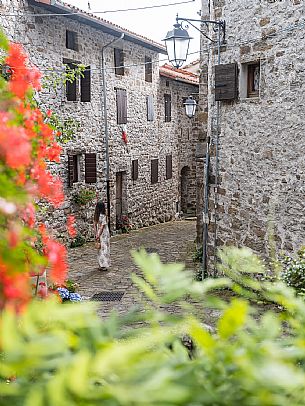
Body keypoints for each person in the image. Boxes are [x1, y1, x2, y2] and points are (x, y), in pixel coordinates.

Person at [93, 201, 110, 270]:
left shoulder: (96, 216)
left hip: (98, 232)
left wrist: (96, 234)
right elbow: (102, 227)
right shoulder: (103, 216)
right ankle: (104, 265)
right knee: (104, 248)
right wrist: (98, 234)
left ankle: (101, 264)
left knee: (99, 249)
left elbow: (94, 225)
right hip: (104, 234)